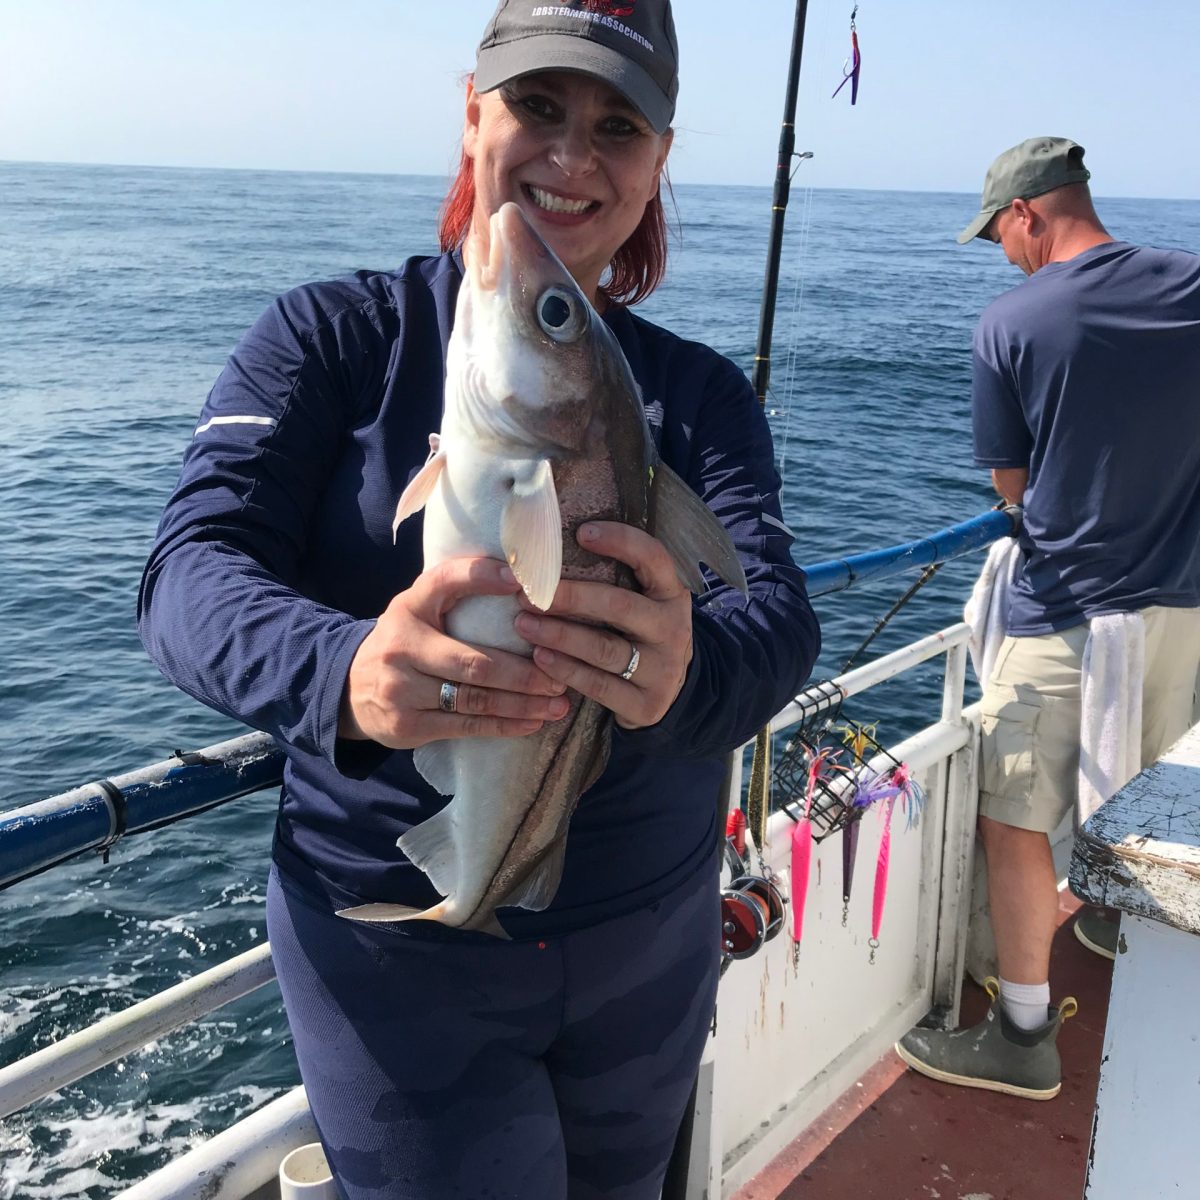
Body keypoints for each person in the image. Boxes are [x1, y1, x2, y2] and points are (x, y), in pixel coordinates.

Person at [137, 2, 821, 1196]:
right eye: (538, 106)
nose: (571, 155)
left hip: (646, 943)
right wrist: (341, 669)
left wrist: (690, 670)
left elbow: (778, 617)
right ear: (471, 113)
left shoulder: (700, 397)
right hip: (392, 953)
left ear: (660, 162)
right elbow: (188, 573)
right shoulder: (328, 339)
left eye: (619, 125)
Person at [896, 136, 1200, 1100]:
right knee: (1153, 785)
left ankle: (1023, 1037)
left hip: (1064, 612)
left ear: (1028, 213)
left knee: (1012, 813)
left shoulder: (1013, 321)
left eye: (1000, 236)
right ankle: (1120, 920)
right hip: (1182, 611)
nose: (1003, 254)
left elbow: (1010, 486)